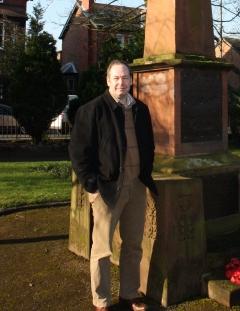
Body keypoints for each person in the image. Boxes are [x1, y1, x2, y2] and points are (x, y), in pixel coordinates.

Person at [69, 60, 158, 311]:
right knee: (102, 250)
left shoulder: (141, 109)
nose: (121, 82)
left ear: (131, 80)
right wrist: (92, 188)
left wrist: (145, 173)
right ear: (108, 80)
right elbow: (78, 153)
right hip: (107, 191)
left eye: (126, 78)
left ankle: (129, 296)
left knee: (133, 246)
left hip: (137, 188)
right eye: (116, 78)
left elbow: (148, 145)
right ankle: (101, 302)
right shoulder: (92, 111)